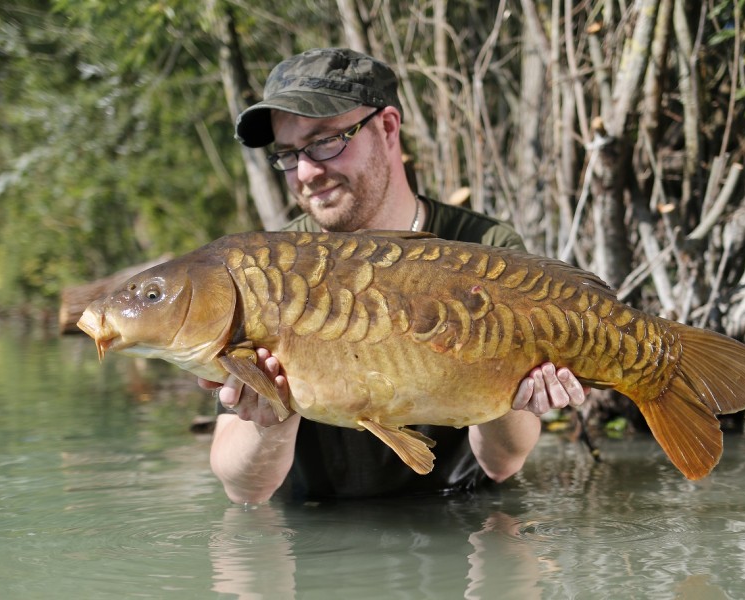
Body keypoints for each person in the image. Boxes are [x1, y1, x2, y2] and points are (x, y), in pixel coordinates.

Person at [202, 48, 587, 504]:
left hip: (462, 515)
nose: (306, 172)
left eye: (325, 141)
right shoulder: (266, 271)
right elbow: (245, 489)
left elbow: (503, 465)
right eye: (288, 154)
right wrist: (272, 412)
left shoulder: (483, 249)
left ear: (386, 128)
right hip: (318, 531)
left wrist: (518, 388)